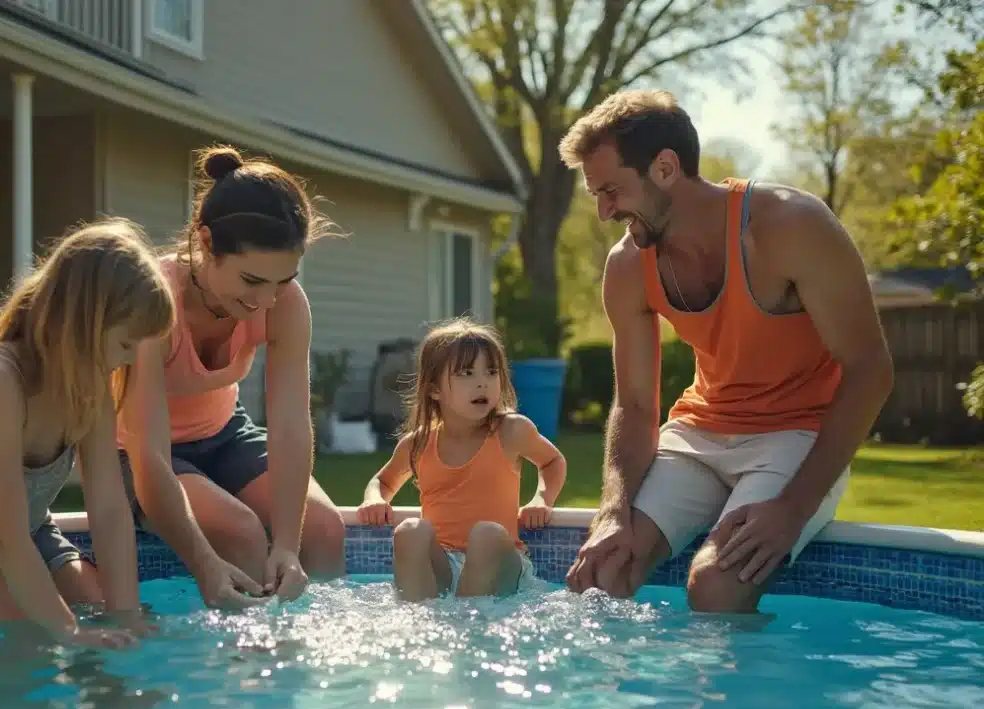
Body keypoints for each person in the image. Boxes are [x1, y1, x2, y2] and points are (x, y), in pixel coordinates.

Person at [557, 90, 894, 614]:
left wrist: (792, 508)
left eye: (612, 191)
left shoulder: (788, 226)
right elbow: (637, 405)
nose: (604, 212)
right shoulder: (628, 267)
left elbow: (870, 369)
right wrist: (612, 510)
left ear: (665, 168)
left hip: (795, 434)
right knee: (604, 571)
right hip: (698, 434)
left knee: (714, 587)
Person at [0, 218, 180, 647]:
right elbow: (5, 534)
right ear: (83, 323)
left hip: (33, 536)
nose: (131, 359)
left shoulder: (90, 381)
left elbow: (109, 507)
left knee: (115, 622)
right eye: (127, 343)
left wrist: (125, 613)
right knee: (34, 634)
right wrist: (69, 632)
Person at [117, 145, 346, 604]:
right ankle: (242, 671)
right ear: (205, 243)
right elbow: (148, 453)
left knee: (323, 529)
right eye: (252, 281)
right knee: (240, 532)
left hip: (225, 433)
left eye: (282, 280)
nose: (266, 302)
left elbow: (289, 426)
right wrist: (204, 562)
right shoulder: (154, 302)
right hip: (133, 449)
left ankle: (309, 666)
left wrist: (286, 545)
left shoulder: (287, 304)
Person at [357, 319, 567, 601]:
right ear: (434, 390)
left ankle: (471, 628)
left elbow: (553, 462)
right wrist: (375, 499)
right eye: (466, 373)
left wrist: (542, 499)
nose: (482, 382)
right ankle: (417, 622)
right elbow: (383, 481)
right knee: (409, 531)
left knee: (486, 534)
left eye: (491, 372)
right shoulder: (418, 443)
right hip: (445, 566)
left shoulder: (511, 431)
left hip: (500, 566)